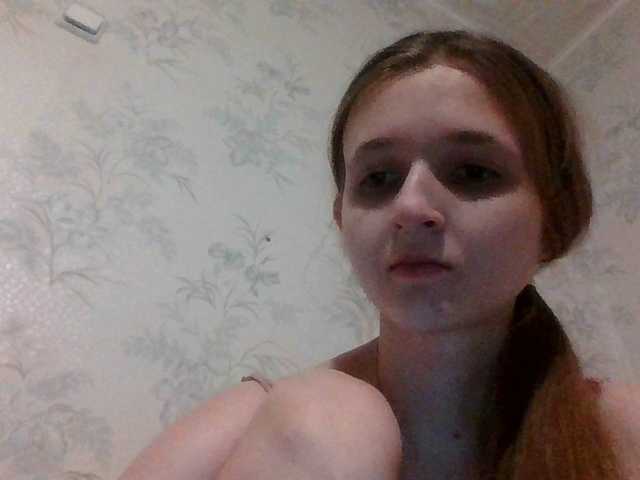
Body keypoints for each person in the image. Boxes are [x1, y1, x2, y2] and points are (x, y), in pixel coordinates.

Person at [119, 30, 638, 480]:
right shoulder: (266, 419)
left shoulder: (622, 429)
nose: (410, 207)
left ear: (554, 219)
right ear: (342, 219)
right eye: (379, 178)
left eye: (473, 172)